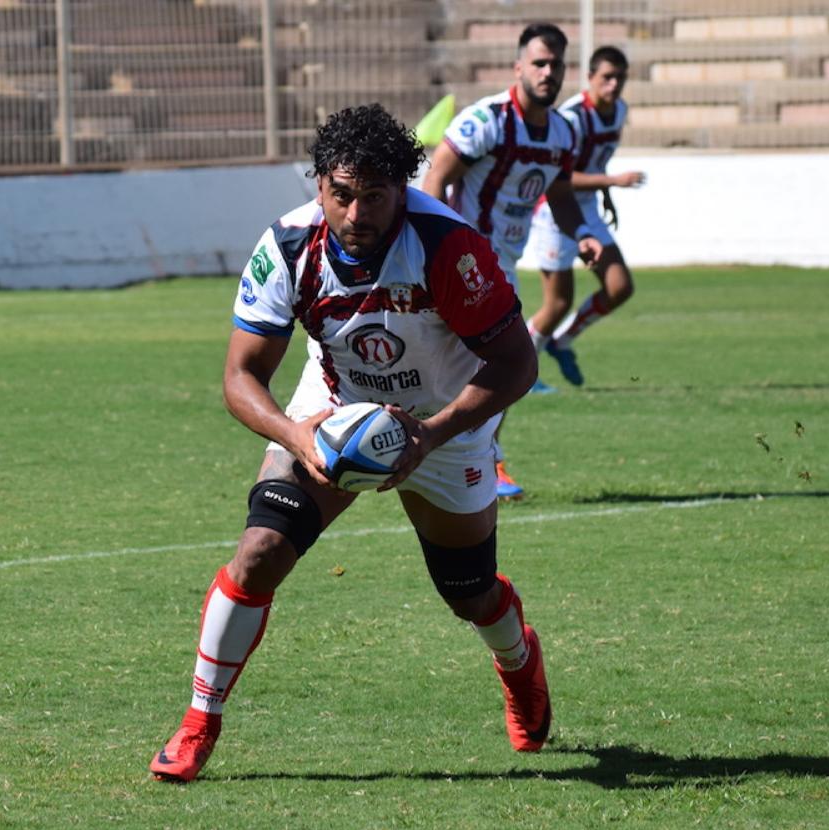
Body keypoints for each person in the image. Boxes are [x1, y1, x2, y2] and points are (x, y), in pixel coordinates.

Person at [149, 103, 549, 784]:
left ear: (403, 189)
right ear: (319, 185)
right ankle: (197, 723)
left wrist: (433, 432)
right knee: (260, 552)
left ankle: (520, 664)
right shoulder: (286, 246)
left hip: (445, 424)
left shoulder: (449, 248)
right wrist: (292, 431)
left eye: (374, 196)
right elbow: (240, 377)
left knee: (469, 593)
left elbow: (516, 365)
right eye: (341, 194)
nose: (356, 213)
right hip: (335, 411)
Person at [421, 22, 603, 500]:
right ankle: (483, 461)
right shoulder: (487, 121)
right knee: (509, 363)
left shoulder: (561, 132)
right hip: (468, 263)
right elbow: (436, 178)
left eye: (556, 65)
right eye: (539, 63)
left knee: (491, 366)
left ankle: (463, 456)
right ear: (518, 66)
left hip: (504, 262)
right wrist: (440, 250)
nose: (548, 73)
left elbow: (559, 195)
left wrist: (583, 232)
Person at [526, 46, 646, 386]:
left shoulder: (619, 111)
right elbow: (558, 177)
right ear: (590, 78)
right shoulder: (572, 117)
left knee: (620, 286)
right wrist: (612, 182)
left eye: (620, 78)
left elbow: (595, 162)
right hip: (555, 211)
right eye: (607, 77)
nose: (614, 85)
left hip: (588, 207)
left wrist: (605, 195)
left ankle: (562, 342)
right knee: (558, 303)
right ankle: (521, 369)